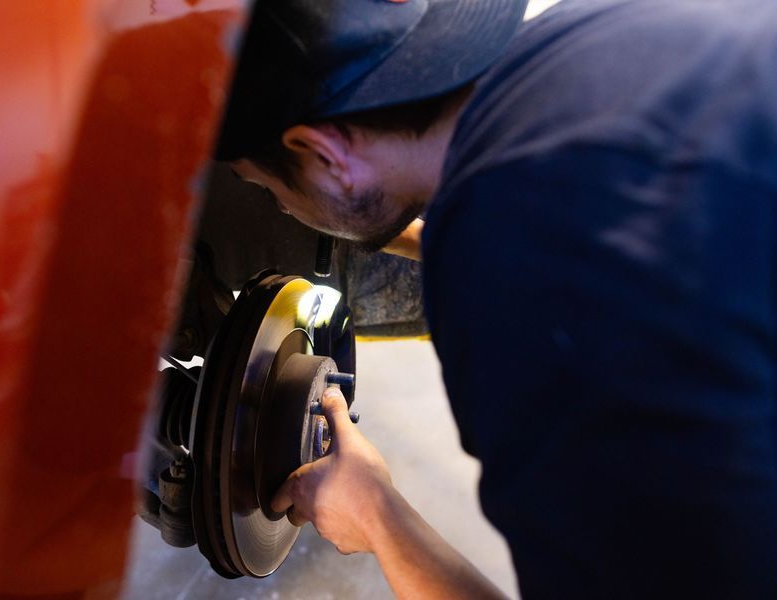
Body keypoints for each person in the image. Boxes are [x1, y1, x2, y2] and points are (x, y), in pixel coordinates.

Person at [215, 0, 777, 598]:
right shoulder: (595, 28)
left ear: (324, 153)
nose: (279, 209)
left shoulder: (527, 320)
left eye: (269, 189)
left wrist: (377, 516)